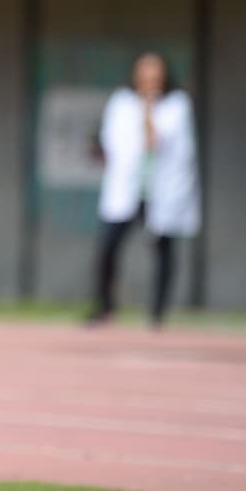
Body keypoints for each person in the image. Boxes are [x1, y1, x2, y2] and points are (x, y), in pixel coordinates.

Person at [89, 52, 199, 327]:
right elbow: (112, 142)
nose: (150, 79)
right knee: (108, 246)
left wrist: (149, 109)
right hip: (127, 188)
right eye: (145, 74)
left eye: (155, 74)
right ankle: (104, 306)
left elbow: (158, 142)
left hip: (161, 190)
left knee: (163, 250)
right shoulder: (122, 102)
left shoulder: (176, 105)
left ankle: (157, 313)